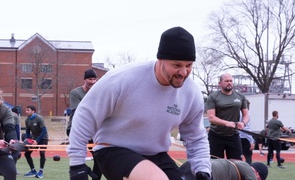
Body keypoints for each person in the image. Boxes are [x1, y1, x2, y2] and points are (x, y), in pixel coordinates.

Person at [67, 27, 211, 180]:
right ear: (160, 59)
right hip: (114, 150)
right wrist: (77, 164)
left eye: (188, 65)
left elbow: (196, 136)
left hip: (156, 155)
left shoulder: (191, 93)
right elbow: (85, 115)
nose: (183, 72)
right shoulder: (121, 80)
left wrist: (202, 169)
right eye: (177, 65)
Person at [206, 73, 249, 160]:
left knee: (237, 164)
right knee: (216, 164)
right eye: (226, 81)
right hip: (216, 135)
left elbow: (246, 115)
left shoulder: (240, 97)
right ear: (220, 83)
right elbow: (211, 117)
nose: (229, 83)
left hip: (233, 135)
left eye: (230, 81)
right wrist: (226, 123)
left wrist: (243, 123)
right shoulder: (213, 97)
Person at [68, 69, 102, 180]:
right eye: (90, 79)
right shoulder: (76, 93)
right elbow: (80, 112)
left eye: (94, 79)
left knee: (99, 159)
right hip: (77, 129)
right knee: (78, 159)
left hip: (94, 130)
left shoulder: (99, 92)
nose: (92, 82)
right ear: (84, 80)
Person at [24, 105, 49, 178]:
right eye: (26, 110)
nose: (26, 112)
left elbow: (44, 131)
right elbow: (27, 132)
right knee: (27, 154)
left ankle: (41, 172)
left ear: (33, 111)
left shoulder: (39, 118)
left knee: (42, 153)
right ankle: (33, 170)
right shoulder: (27, 120)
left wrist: (37, 141)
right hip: (34, 139)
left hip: (43, 138)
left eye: (28, 110)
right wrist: (27, 141)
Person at [181, 159, 268, 180]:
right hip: (203, 173)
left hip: (191, 165)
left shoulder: (234, 165)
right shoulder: (248, 169)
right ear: (257, 174)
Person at [239, 100, 255, 164]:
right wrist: (251, 141)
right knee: (248, 156)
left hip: (238, 137)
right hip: (245, 138)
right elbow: (247, 129)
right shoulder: (246, 115)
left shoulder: (237, 114)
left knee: (238, 156)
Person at [11, 107, 21, 175]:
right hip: (12, 135)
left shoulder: (6, 114)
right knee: (15, 152)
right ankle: (12, 169)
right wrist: (17, 139)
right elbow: (17, 128)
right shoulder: (16, 116)